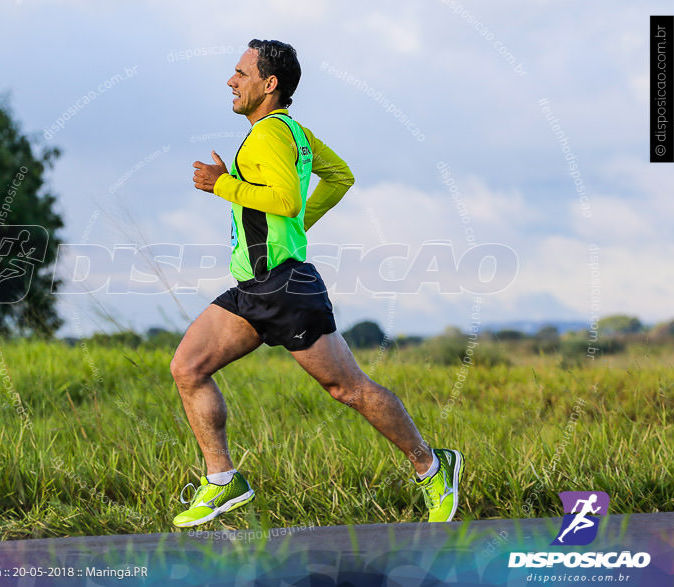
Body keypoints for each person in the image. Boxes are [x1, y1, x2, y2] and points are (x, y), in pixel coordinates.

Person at [171, 39, 462, 528]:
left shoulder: (269, 135)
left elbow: (283, 200)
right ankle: (223, 481)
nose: (230, 81)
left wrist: (220, 184)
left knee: (348, 389)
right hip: (252, 287)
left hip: (285, 288)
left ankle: (432, 466)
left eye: (241, 73)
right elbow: (339, 176)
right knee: (188, 367)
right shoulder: (293, 132)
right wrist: (299, 224)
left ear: (270, 84)